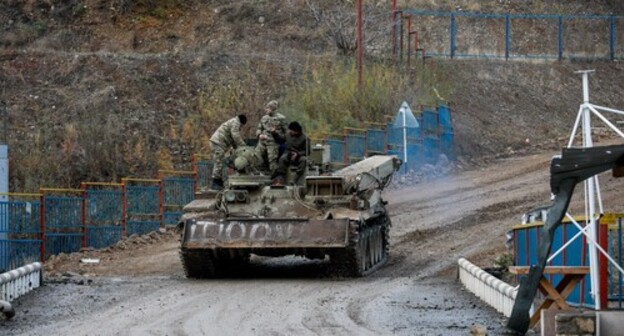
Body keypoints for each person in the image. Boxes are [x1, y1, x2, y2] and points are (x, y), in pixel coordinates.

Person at [209, 114, 247, 190]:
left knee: (221, 162)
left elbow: (233, 139)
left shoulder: (233, 122)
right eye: (242, 126)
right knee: (219, 162)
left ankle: (218, 182)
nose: (241, 127)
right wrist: (243, 145)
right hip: (217, 143)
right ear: (242, 123)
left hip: (218, 143)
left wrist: (238, 148)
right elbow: (235, 136)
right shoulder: (236, 122)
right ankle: (215, 183)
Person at [255, 100, 288, 174]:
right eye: (266, 108)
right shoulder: (264, 118)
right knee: (256, 156)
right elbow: (259, 128)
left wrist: (278, 136)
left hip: (273, 142)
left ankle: (274, 177)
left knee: (272, 161)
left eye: (268, 108)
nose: (266, 110)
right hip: (263, 141)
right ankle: (261, 172)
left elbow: (286, 132)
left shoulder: (281, 118)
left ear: (273, 109)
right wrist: (259, 135)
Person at [272, 121, 309, 186]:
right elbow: (280, 140)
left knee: (304, 160)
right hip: (288, 154)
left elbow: (307, 151)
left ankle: (295, 179)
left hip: (299, 155)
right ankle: (281, 178)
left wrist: (298, 154)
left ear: (296, 131)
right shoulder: (288, 135)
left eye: (291, 131)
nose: (289, 132)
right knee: (282, 159)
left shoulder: (304, 138)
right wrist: (274, 133)